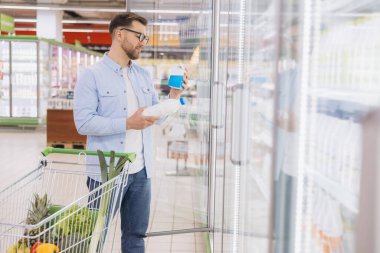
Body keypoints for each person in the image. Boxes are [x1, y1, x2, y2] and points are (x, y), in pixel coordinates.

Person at [73, 12, 188, 253]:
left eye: (145, 38)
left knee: (136, 237)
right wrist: (127, 123)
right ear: (119, 34)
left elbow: (156, 117)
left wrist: (174, 97)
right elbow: (83, 123)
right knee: (93, 238)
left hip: (141, 172)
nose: (143, 43)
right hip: (107, 173)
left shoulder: (143, 75)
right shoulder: (91, 76)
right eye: (139, 36)